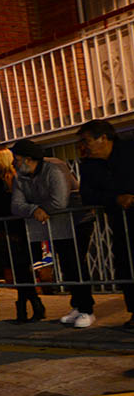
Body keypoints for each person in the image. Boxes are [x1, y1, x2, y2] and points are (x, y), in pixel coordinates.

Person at [10, 139, 93, 327]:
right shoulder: (20, 176)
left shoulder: (54, 168)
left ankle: (86, 309)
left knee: (76, 262)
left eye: (17, 158)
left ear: (29, 159)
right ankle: (78, 306)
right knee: (66, 263)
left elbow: (59, 201)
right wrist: (33, 210)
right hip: (55, 223)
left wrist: (37, 209)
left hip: (77, 220)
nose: (13, 162)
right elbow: (16, 205)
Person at [76, 119, 134, 328]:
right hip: (119, 222)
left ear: (104, 138)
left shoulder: (128, 150)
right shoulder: (90, 166)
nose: (84, 146)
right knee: (126, 265)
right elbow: (88, 195)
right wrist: (115, 199)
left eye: (87, 140)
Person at [0, 148, 34, 322]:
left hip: (16, 231)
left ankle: (24, 308)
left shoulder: (15, 181)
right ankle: (32, 306)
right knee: (19, 272)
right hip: (3, 232)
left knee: (22, 271)